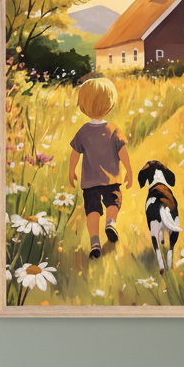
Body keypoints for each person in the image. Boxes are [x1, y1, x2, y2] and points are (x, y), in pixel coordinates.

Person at [68, 77, 133, 259]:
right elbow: (123, 152)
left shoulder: (83, 131)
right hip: (111, 179)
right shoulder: (113, 129)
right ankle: (110, 223)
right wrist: (129, 170)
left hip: (90, 182)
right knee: (113, 202)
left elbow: (75, 153)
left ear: (83, 105)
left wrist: (71, 171)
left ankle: (94, 242)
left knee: (93, 210)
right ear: (110, 104)